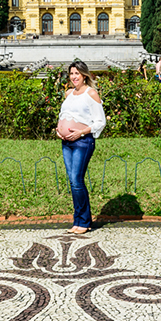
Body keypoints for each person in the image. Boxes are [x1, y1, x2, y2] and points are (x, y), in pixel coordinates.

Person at [54, 61, 107, 235]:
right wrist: (58, 129)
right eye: (71, 74)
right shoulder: (69, 93)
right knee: (72, 182)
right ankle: (78, 221)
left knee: (77, 180)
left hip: (82, 142)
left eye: (77, 73)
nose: (74, 77)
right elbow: (65, 115)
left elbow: (100, 122)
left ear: (84, 75)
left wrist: (81, 132)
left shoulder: (91, 93)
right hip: (66, 142)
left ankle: (84, 221)